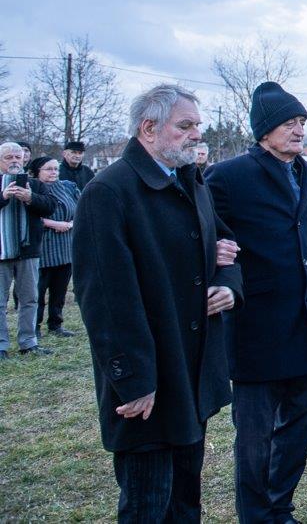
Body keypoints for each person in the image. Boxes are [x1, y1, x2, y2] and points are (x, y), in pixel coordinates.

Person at [72, 84, 242, 521]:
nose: (196, 135)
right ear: (148, 128)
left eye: (197, 126)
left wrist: (228, 285)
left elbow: (225, 244)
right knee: (148, 502)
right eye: (185, 126)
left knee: (185, 500)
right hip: (149, 380)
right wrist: (133, 381)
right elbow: (105, 300)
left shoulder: (188, 180)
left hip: (191, 370)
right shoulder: (109, 191)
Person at [206, 81, 307, 524]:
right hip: (255, 324)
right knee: (254, 437)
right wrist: (217, 267)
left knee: (300, 424)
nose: (299, 130)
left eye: (302, 122)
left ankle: (280, 507)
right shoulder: (228, 176)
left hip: (303, 321)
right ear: (264, 130)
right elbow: (206, 235)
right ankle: (256, 515)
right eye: (289, 123)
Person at [0, 142, 57, 358]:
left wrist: (30, 197)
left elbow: (50, 206)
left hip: (28, 251)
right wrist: (3, 197)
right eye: (9, 157)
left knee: (30, 298)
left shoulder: (35, 184)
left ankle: (28, 342)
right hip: (1, 251)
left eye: (18, 156)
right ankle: (1, 346)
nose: (15, 160)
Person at [30, 156, 79, 338]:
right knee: (38, 291)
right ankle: (34, 326)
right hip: (42, 248)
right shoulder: (32, 188)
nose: (53, 172)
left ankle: (55, 324)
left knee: (59, 290)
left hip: (65, 247)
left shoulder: (67, 187)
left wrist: (70, 224)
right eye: (48, 169)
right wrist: (54, 224)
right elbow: (29, 216)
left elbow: (79, 209)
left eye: (56, 169)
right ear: (38, 172)